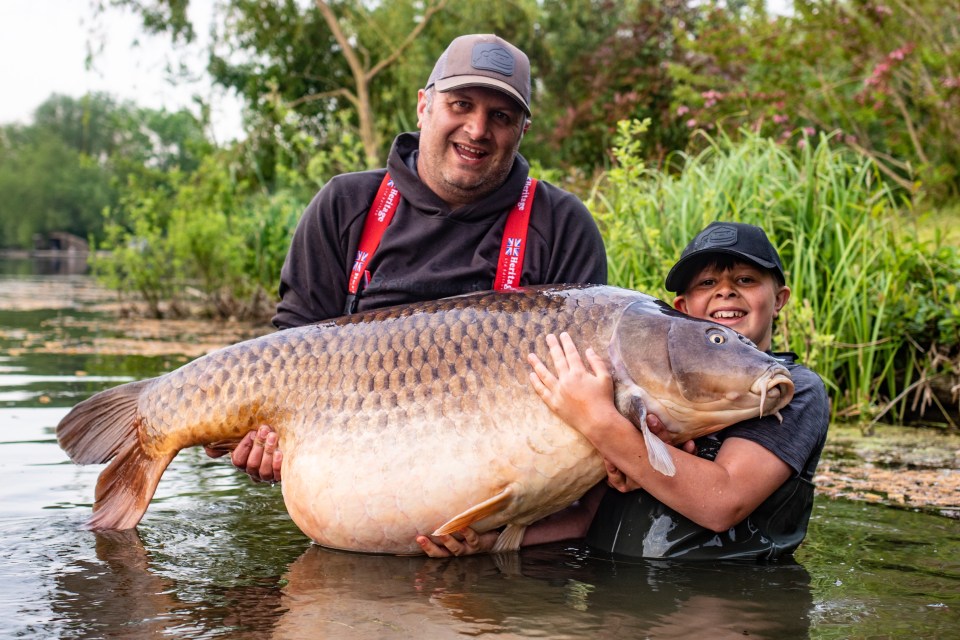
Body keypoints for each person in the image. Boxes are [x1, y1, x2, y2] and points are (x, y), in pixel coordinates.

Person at [206, 34, 607, 481]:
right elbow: (290, 353)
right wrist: (267, 437)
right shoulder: (345, 204)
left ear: (522, 131)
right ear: (424, 106)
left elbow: (586, 394)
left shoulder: (563, 225)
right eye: (460, 105)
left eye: (500, 116)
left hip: (505, 481)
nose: (477, 129)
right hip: (357, 476)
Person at [417, 221, 830, 560]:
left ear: (779, 299)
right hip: (613, 605)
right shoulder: (645, 397)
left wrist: (597, 421)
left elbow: (721, 503)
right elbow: (588, 520)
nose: (726, 291)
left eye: (746, 279)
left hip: (722, 605)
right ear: (681, 311)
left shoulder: (796, 390)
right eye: (707, 283)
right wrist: (491, 544)